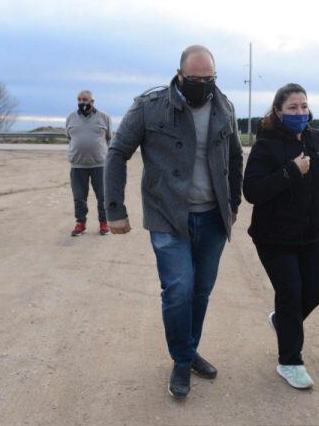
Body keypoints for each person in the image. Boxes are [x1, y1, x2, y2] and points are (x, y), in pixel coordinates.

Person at [104, 45, 243, 399]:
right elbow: (118, 152)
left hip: (212, 218)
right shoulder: (150, 107)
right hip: (169, 216)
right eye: (195, 79)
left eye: (209, 79)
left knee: (200, 291)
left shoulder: (224, 105)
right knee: (178, 291)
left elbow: (235, 155)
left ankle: (189, 348)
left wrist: (233, 202)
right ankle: (181, 360)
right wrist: (115, 209)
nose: (202, 85)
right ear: (179, 75)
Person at [243, 83, 319, 390]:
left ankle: (282, 320)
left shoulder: (318, 139)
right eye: (292, 108)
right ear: (278, 112)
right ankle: (290, 362)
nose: (300, 113)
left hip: (311, 234)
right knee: (291, 294)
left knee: (317, 291)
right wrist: (290, 171)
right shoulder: (267, 145)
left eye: (304, 106)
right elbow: (252, 192)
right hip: (275, 238)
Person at [65, 90, 112, 236]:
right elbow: (69, 137)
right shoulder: (71, 118)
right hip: (78, 166)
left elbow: (109, 138)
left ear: (92, 101)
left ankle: (104, 223)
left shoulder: (104, 117)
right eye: (79, 99)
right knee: (79, 197)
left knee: (103, 197)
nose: (81, 102)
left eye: (84, 100)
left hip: (100, 165)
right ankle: (80, 223)